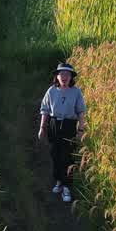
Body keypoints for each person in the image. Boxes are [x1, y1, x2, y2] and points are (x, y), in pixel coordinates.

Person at [37, 62, 86, 203]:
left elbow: (81, 112)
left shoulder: (76, 92)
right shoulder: (51, 91)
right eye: (61, 74)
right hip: (54, 124)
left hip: (69, 125)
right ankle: (58, 181)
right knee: (55, 154)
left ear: (71, 77)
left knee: (67, 156)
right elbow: (45, 110)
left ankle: (67, 187)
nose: (64, 77)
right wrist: (42, 128)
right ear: (57, 76)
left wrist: (81, 130)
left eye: (67, 74)